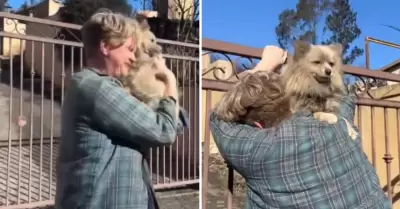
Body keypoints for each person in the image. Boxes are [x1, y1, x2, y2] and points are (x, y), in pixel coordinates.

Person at [209, 46, 391, 209]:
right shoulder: (337, 124)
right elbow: (344, 97)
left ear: (257, 125)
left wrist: (263, 66)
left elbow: (218, 120)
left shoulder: (259, 151)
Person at [55, 11, 180, 209]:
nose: (133, 57)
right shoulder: (98, 89)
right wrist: (169, 81)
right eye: (129, 49)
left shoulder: (91, 86)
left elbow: (174, 123)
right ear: (105, 47)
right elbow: (164, 131)